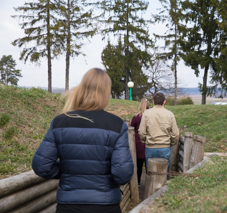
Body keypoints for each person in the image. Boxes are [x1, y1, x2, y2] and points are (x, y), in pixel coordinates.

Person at [32, 68, 134, 213]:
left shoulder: (59, 122)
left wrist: (68, 169)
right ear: (106, 92)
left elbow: (41, 165)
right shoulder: (116, 125)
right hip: (105, 205)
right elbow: (123, 173)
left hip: (68, 205)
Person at [138, 92, 179, 171]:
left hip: (150, 147)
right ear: (164, 102)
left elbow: (141, 131)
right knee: (163, 173)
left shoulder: (146, 113)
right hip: (165, 147)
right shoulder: (170, 114)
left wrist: (145, 140)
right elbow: (176, 133)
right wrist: (171, 142)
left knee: (150, 173)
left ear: (153, 102)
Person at [130, 98, 150, 186]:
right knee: (148, 165)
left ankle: (137, 182)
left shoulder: (135, 117)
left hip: (138, 142)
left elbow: (131, 128)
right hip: (148, 142)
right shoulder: (150, 117)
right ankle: (149, 183)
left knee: (138, 165)